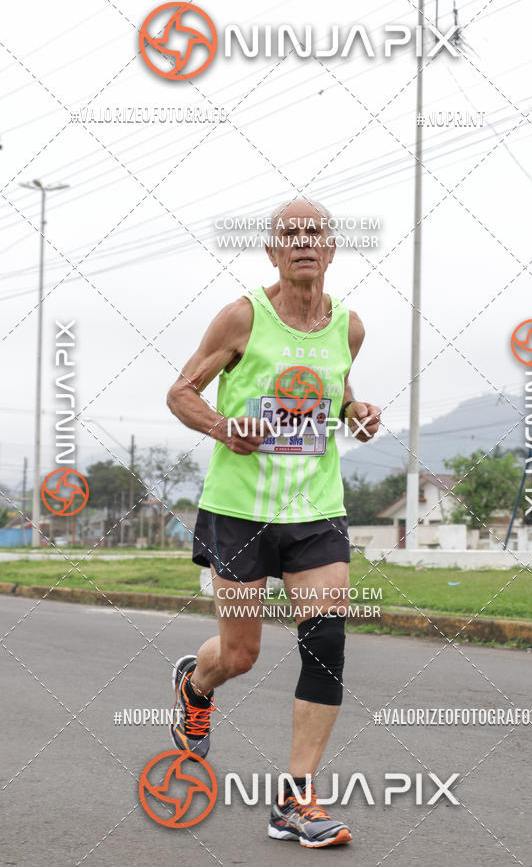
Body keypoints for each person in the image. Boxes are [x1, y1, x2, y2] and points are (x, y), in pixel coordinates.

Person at [166, 198, 381, 848]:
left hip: (315, 511)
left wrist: (357, 412)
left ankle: (296, 800)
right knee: (240, 654)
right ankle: (195, 685)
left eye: (315, 233)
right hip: (239, 512)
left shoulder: (349, 327)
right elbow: (181, 392)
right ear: (272, 252)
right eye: (290, 235)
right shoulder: (241, 317)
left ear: (333, 248)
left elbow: (337, 396)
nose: (303, 242)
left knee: (327, 641)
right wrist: (222, 427)